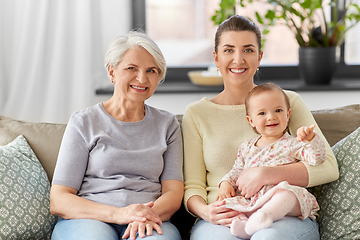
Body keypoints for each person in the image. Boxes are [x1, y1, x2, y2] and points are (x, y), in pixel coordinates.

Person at [182, 15, 339, 240]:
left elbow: (328, 167)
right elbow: (193, 186)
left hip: (282, 214)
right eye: (228, 50)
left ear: (259, 57)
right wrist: (206, 212)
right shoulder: (197, 114)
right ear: (216, 59)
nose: (238, 59)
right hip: (225, 215)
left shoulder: (286, 102)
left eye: (248, 50)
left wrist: (265, 174)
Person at [50, 31, 184, 240]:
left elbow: (174, 192)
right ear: (112, 72)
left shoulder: (168, 125)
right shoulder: (83, 122)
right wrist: (119, 214)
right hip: (90, 219)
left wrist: (145, 215)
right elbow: (59, 199)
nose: (142, 78)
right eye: (132, 68)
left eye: (151, 70)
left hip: (149, 219)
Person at [217, 83, 326, 239]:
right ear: (251, 120)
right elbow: (236, 170)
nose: (271, 117)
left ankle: (265, 215)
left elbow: (317, 158)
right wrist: (225, 183)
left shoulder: (293, 143)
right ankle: (245, 227)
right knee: (226, 205)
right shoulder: (246, 147)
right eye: (262, 113)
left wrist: (310, 140)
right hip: (253, 201)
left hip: (283, 202)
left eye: (278, 110)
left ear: (288, 114)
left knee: (287, 193)